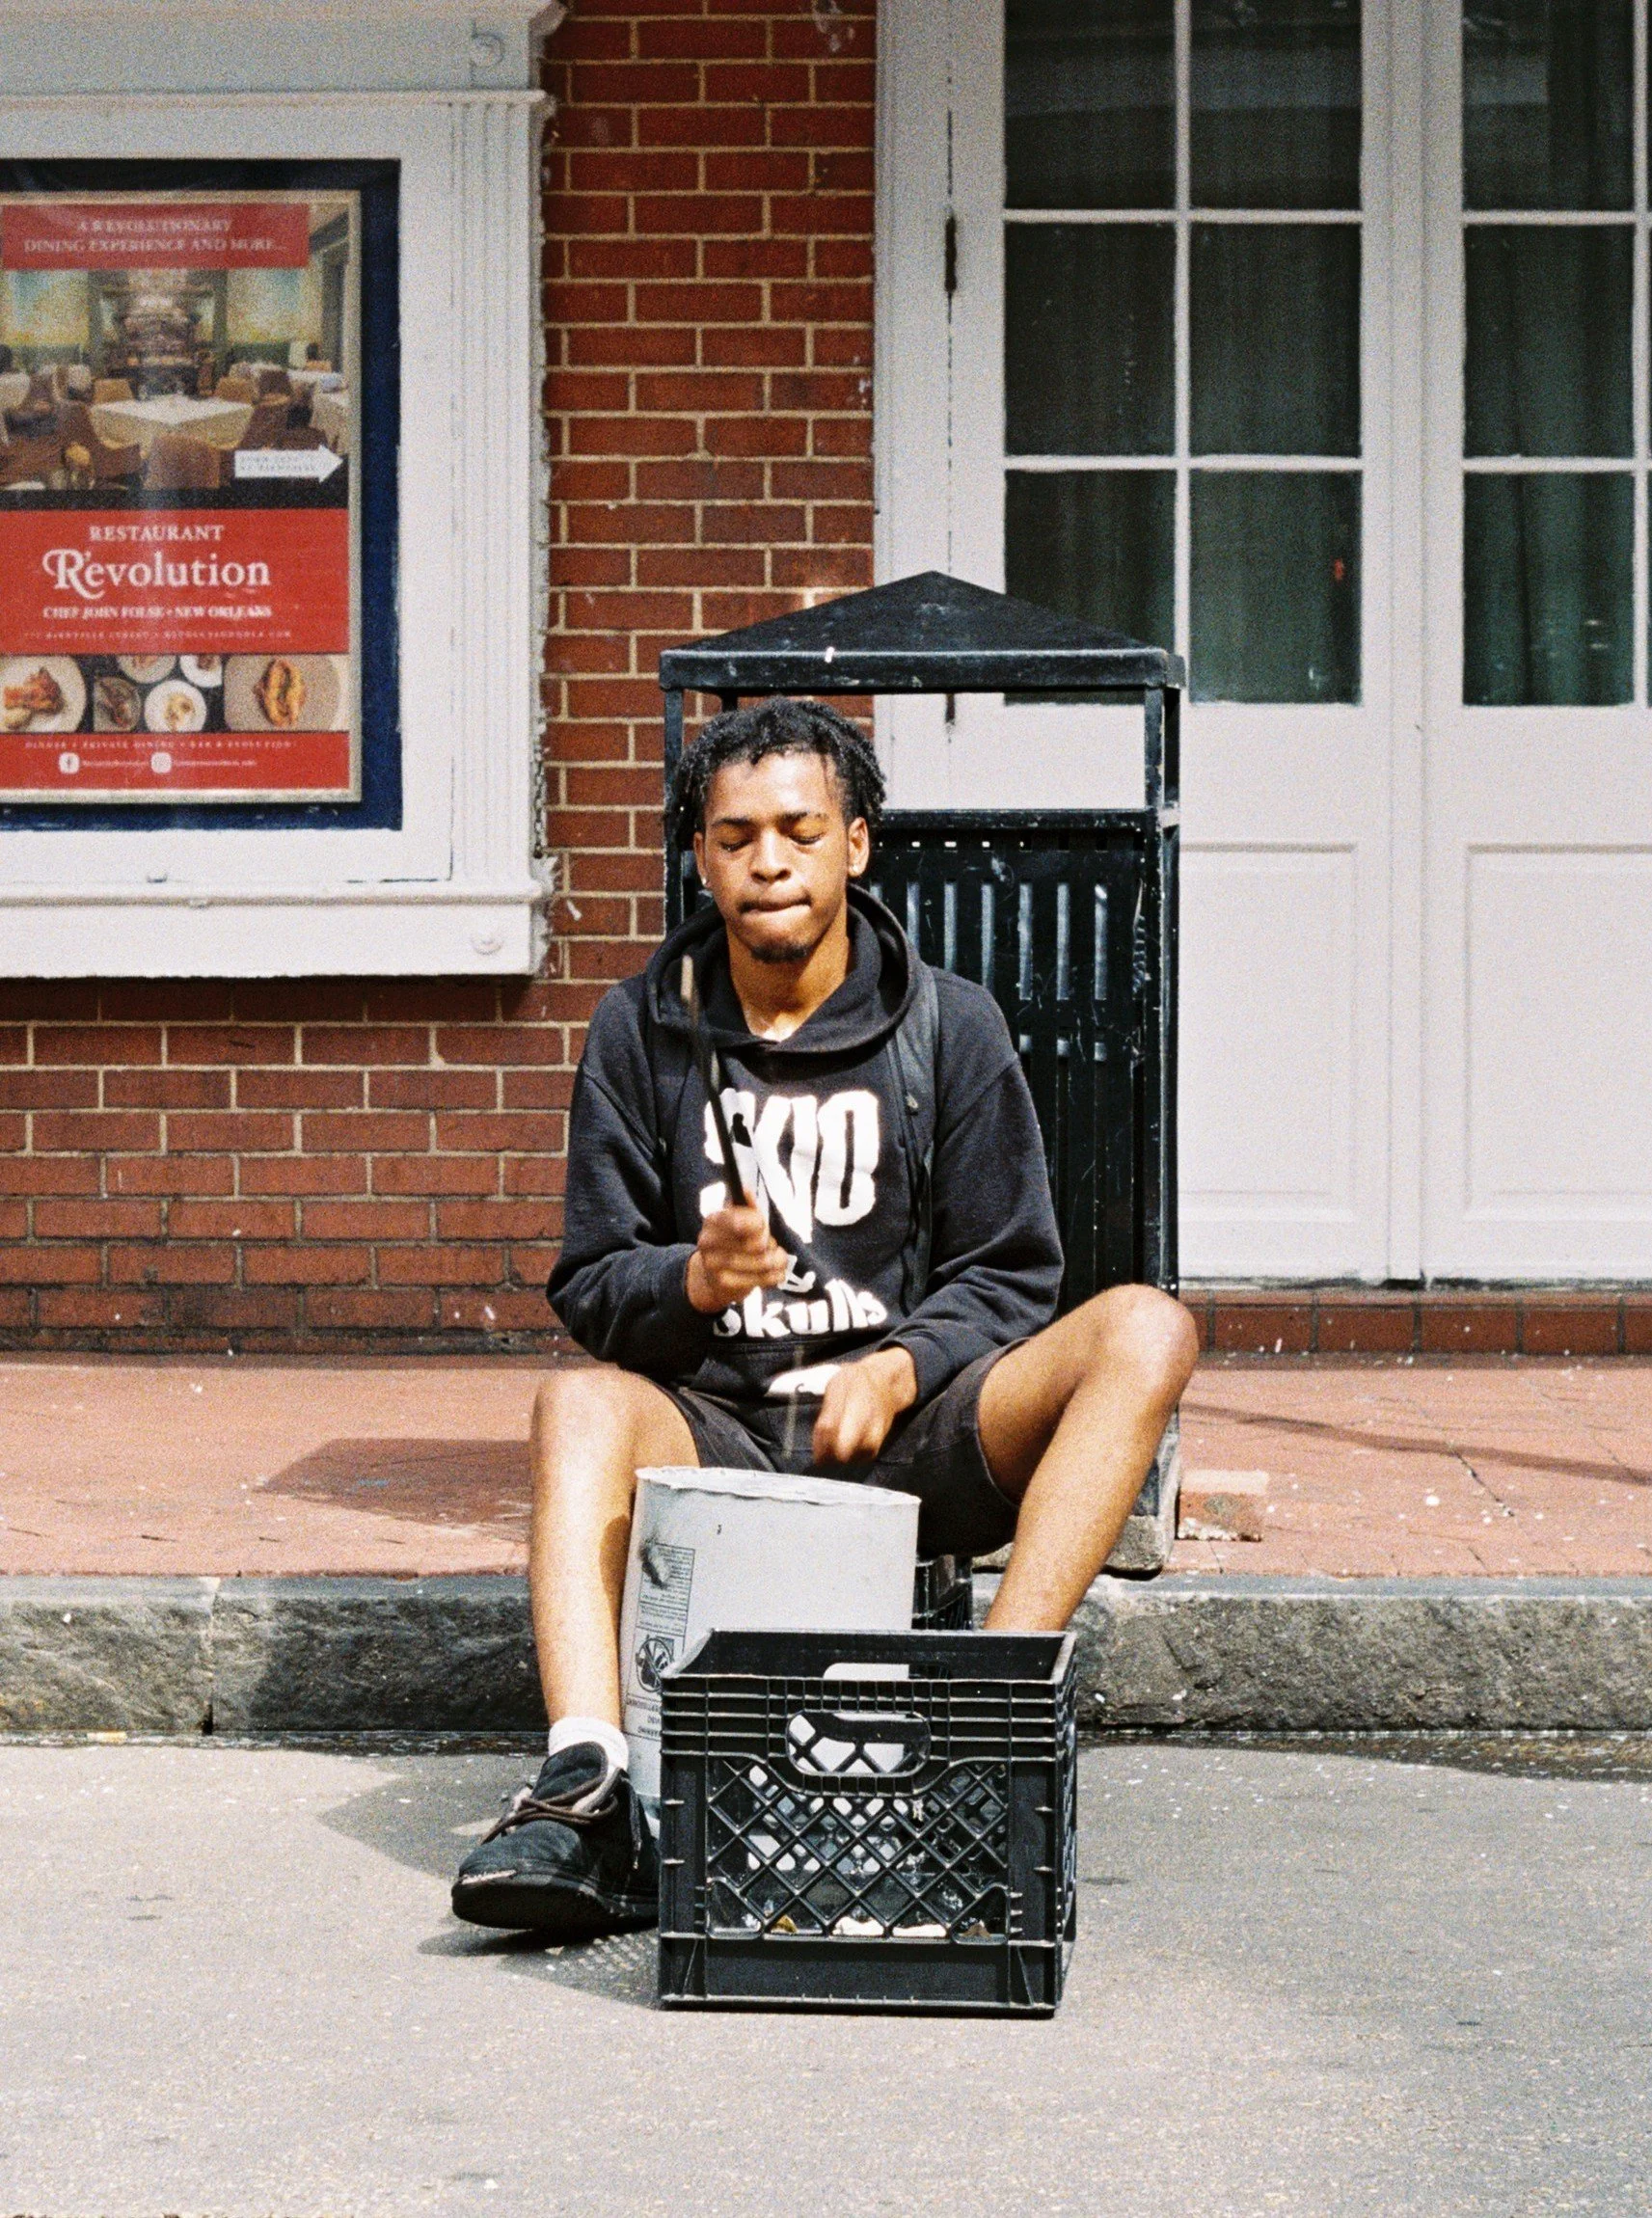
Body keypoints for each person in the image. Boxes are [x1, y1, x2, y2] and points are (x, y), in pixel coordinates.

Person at [451, 697, 1199, 1939]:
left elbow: (1013, 1273)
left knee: (1145, 1330)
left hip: (905, 1441)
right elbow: (588, 1288)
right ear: (702, 857)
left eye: (800, 828)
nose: (769, 860)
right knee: (574, 1404)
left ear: (856, 843)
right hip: (721, 1435)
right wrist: (692, 1284)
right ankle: (586, 1786)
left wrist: (905, 1365)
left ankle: (988, 1733)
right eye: (736, 835)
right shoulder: (638, 1030)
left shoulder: (949, 1027)